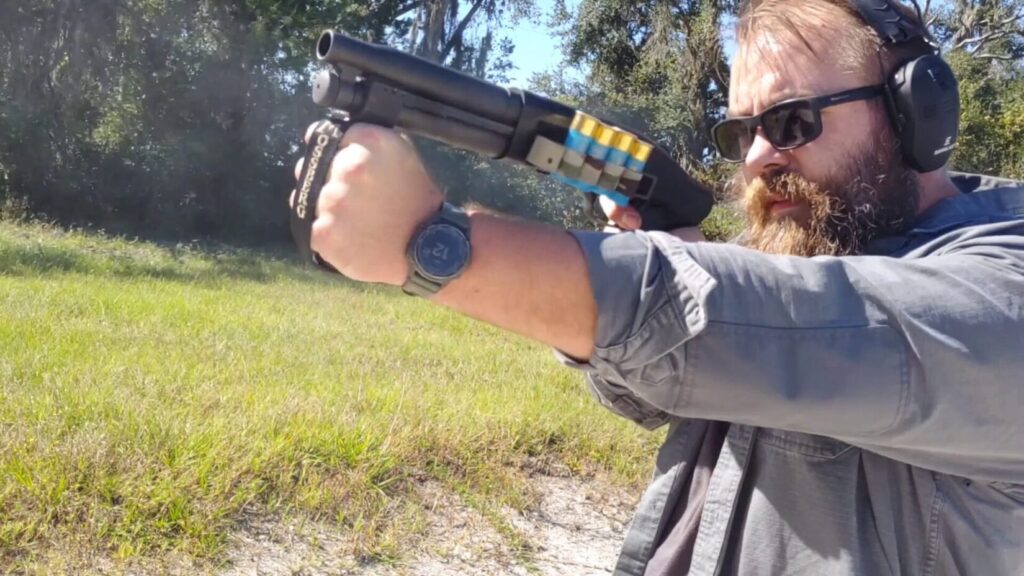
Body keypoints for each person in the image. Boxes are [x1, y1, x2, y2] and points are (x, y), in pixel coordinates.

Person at [292, 0, 1024, 573]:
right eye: (744, 134)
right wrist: (650, 274)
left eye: (793, 121)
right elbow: (655, 388)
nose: (759, 157)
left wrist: (432, 243)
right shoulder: (817, 255)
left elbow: (800, 325)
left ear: (916, 115)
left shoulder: (1002, 288)